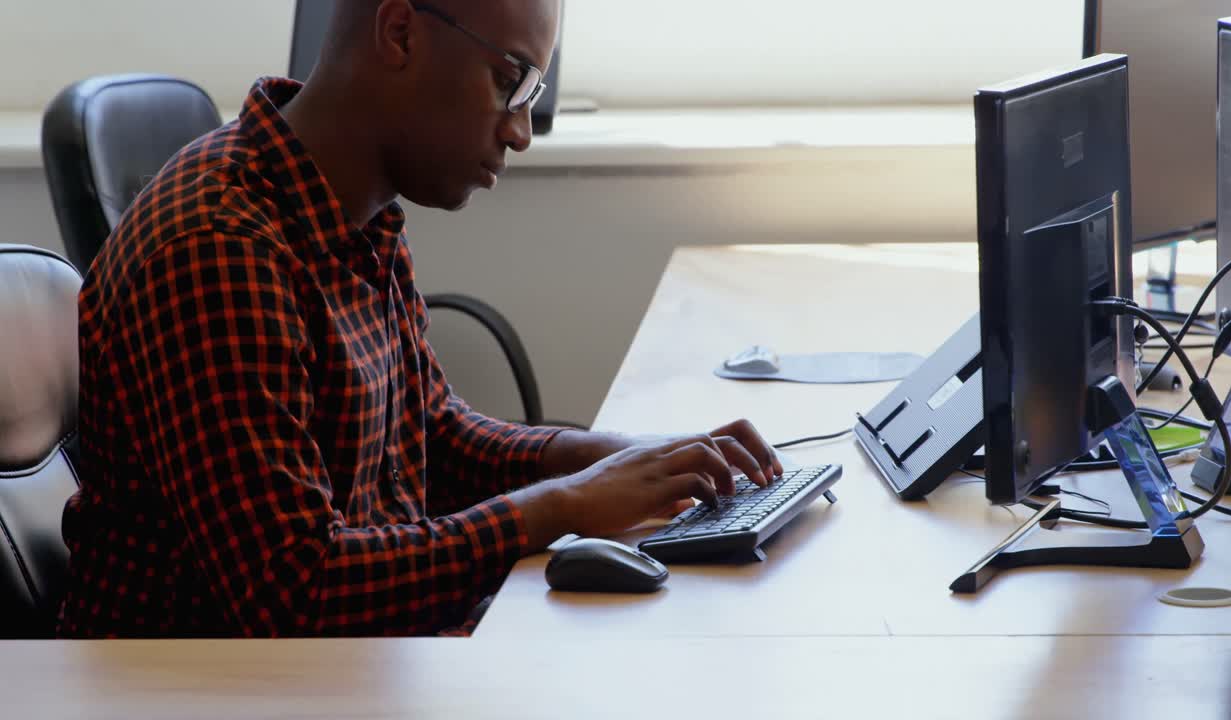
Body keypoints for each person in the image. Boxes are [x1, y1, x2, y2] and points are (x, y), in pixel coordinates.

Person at [58, 0, 782, 638]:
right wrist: (561, 507)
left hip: (354, 663)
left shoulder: (357, 213)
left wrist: (617, 460)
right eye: (510, 81)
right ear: (400, 33)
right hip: (204, 693)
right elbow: (294, 593)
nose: (521, 131)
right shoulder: (220, 249)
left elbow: (433, 434)